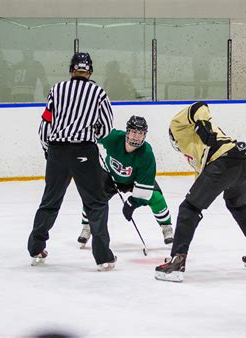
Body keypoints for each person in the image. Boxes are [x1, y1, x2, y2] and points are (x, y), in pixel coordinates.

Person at [154, 101, 246, 282]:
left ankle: (177, 262)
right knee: (237, 204)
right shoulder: (196, 156)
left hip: (225, 160)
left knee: (187, 209)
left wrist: (202, 126)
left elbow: (199, 106)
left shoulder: (176, 126)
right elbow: (200, 184)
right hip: (244, 160)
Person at [28, 52, 116, 271]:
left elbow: (45, 125)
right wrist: (91, 135)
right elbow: (106, 126)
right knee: (96, 203)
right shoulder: (98, 92)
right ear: (90, 71)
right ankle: (103, 257)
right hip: (84, 151)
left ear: (71, 69)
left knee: (50, 201)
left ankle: (36, 248)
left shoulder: (57, 90)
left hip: (57, 151)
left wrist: (50, 151)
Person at [76, 115, 174, 247]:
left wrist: (133, 202)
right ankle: (87, 227)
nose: (136, 136)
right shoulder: (114, 138)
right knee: (93, 194)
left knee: (156, 197)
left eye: (140, 133)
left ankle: (167, 228)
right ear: (127, 131)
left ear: (144, 136)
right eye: (134, 132)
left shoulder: (146, 153)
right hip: (111, 177)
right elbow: (95, 134)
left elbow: (145, 187)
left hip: (135, 181)